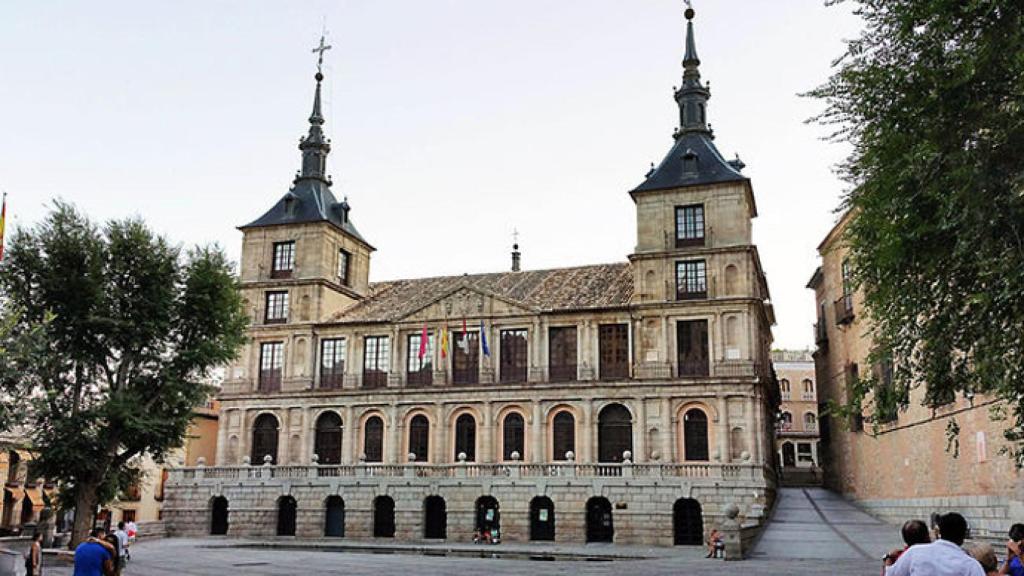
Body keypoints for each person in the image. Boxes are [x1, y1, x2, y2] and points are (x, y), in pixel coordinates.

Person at [885, 512, 985, 576]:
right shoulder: (971, 565)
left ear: (939, 533)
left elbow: (890, 574)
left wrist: (888, 558)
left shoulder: (915, 552)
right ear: (963, 536)